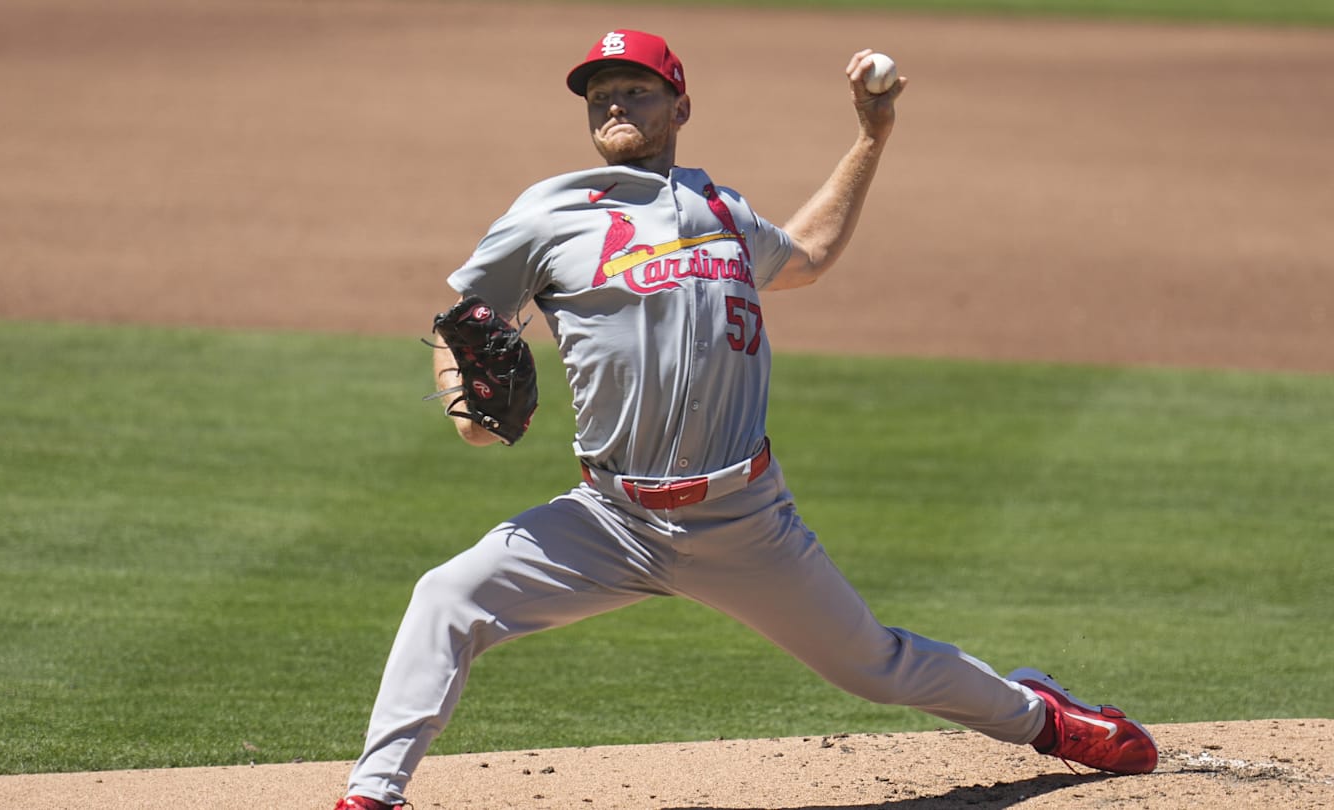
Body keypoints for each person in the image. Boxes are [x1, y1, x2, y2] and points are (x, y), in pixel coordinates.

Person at [335, 29, 1157, 810]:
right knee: (447, 596)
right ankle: (373, 793)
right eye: (600, 95)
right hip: (610, 517)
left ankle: (1044, 717)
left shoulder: (723, 209)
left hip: (743, 520)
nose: (614, 104)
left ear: (680, 108)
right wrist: (462, 407)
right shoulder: (550, 212)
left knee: (876, 666)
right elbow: (463, 324)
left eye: (635, 90)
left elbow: (806, 257)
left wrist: (872, 136)